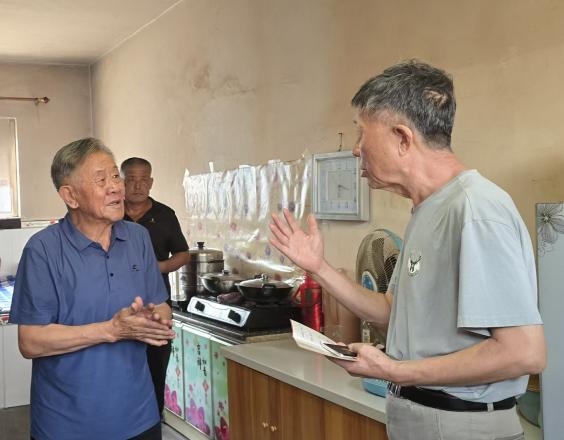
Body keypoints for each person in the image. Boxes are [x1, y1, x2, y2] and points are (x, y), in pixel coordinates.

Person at [269, 60, 546, 440]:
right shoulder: (428, 209)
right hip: (423, 418)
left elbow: (523, 353)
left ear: (402, 137)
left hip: (462, 425)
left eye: (362, 133)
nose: (356, 150)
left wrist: (394, 371)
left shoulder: (476, 209)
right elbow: (392, 311)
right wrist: (318, 267)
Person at [9, 138, 174, 440]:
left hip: (139, 417)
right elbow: (30, 341)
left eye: (115, 176)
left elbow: (160, 304)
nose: (116, 188)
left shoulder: (138, 238)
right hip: (67, 425)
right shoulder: (43, 250)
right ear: (70, 196)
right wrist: (111, 330)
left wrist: (154, 320)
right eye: (101, 180)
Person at [120, 157, 189, 417]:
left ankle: (153, 421)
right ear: (121, 182)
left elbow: (183, 253)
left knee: (156, 368)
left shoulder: (164, 215)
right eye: (131, 180)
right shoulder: (111, 213)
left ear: (151, 182)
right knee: (122, 369)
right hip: (118, 306)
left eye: (143, 180)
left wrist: (158, 267)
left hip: (157, 306)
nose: (137, 186)